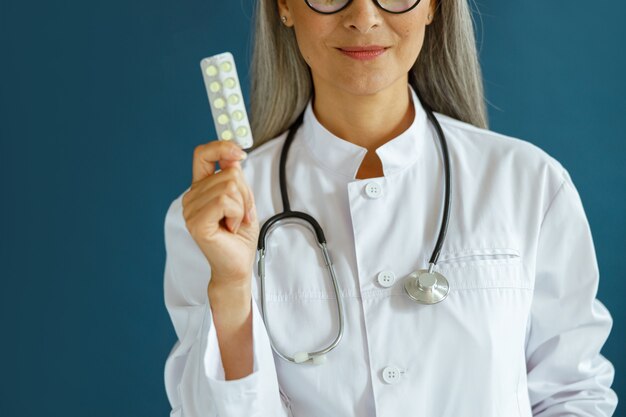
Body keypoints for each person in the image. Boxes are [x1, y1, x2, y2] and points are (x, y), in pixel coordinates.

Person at [163, 0, 618, 415]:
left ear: (433, 8)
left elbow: (573, 394)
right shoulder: (217, 218)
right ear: (284, 6)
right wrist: (230, 286)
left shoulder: (529, 184)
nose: (363, 15)